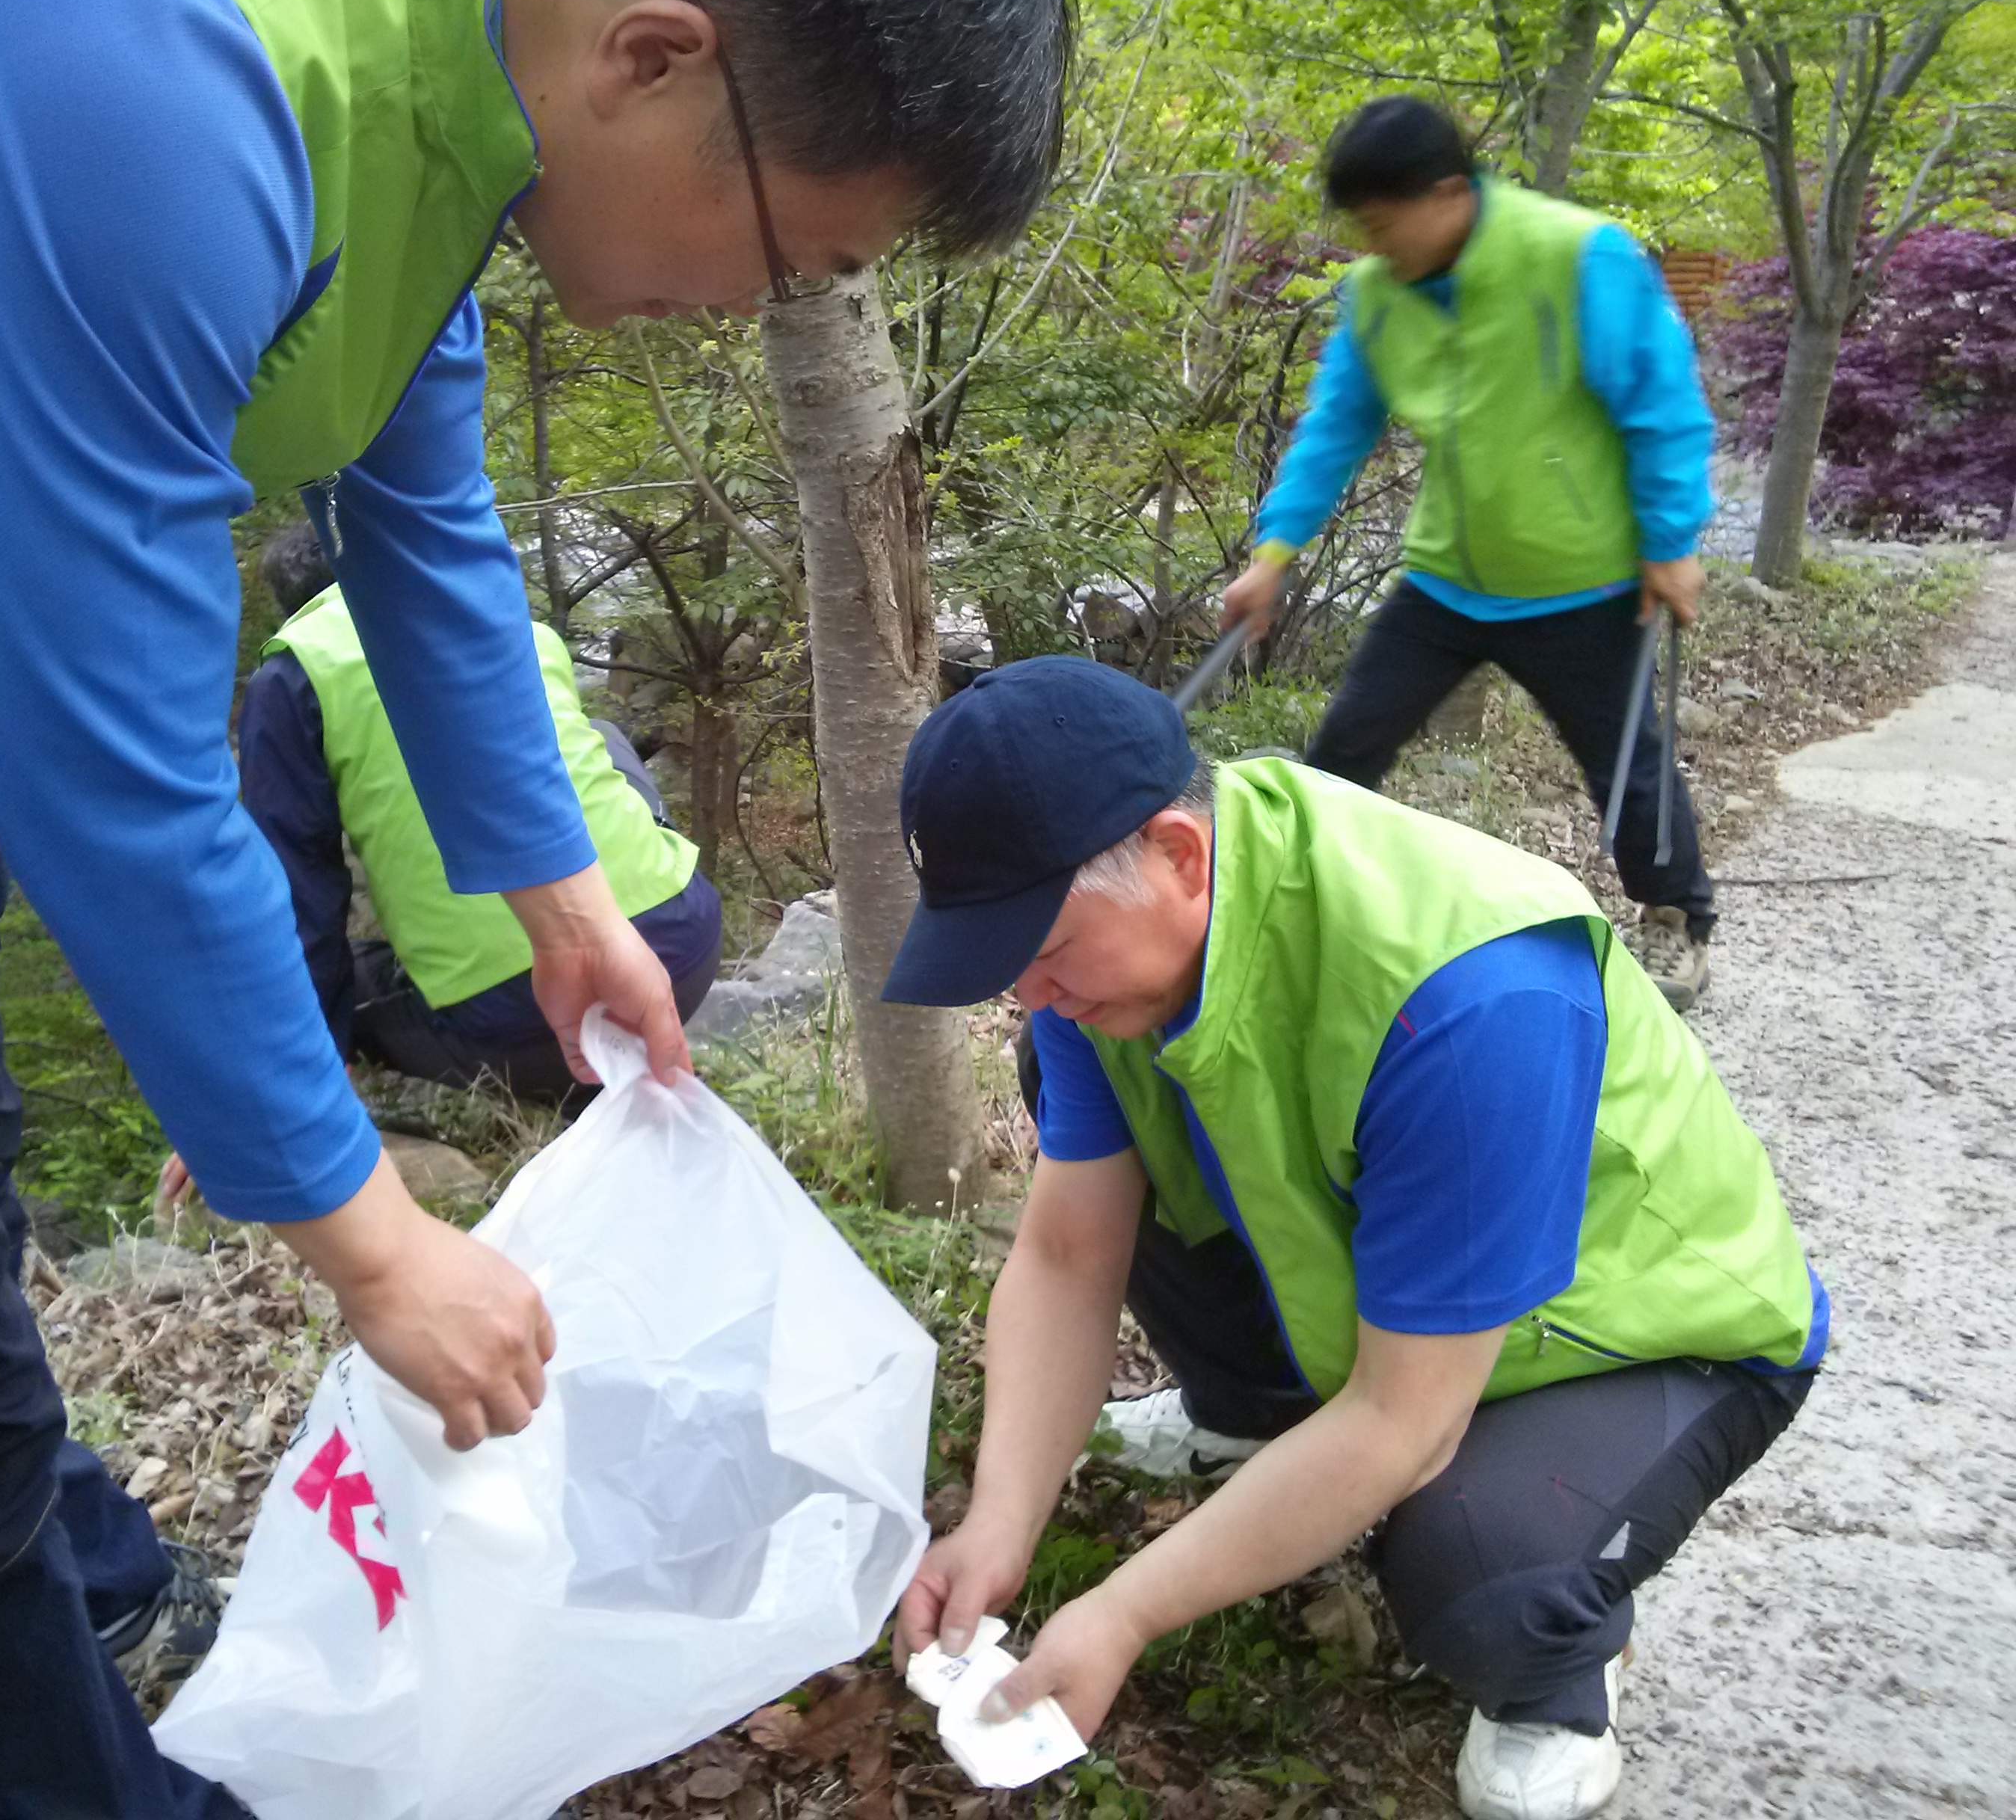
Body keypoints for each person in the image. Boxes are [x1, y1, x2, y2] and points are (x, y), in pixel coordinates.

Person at [0, 0, 1071, 1809]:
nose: (748, 306)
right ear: (657, 54)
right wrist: (370, 1238)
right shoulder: (127, 64)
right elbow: (116, 773)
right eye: (788, 249)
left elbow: (418, 512)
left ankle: (106, 1595)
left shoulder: (444, 93)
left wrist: (556, 885)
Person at [882, 659, 1825, 1820]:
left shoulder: (1465, 992)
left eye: (1045, 946)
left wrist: (1122, 1612)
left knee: (1481, 1581)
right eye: (1001, 954)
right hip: (1410, 1282)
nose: (1028, 987)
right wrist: (999, 1522)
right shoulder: (1116, 945)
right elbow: (1072, 1252)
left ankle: (1560, 1677)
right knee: (1091, 1061)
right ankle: (1251, 1419)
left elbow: (1404, 1422)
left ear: (1178, 855)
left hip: (1638, 1329)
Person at [1218, 96, 1721, 1012]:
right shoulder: (1376, 295)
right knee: (1346, 747)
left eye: (1383, 225)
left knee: (1626, 767)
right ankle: (1300, 911)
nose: (1375, 248)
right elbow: (1337, 423)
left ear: (1449, 193)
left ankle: (1676, 919)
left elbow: (1662, 404)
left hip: (1582, 579)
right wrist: (1274, 552)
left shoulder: (1578, 257)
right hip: (1448, 580)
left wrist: (1671, 540)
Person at [239, 523, 722, 1099]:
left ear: (294, 604)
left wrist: (309, 1056)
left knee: (357, 978)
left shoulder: (297, 672)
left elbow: (295, 889)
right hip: (685, 953)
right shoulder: (507, 621)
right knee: (603, 735)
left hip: (513, 1031)